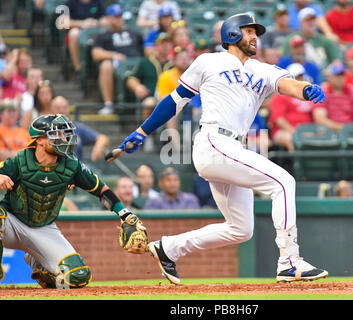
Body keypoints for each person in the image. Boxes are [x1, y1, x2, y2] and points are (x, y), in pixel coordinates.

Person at [116, 13, 328, 284]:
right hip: (214, 141)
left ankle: (168, 248)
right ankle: (289, 261)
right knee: (283, 182)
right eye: (248, 31)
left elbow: (288, 84)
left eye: (256, 33)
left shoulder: (262, 68)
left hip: (231, 148)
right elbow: (175, 100)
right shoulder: (209, 61)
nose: (254, 37)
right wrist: (142, 130)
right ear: (231, 34)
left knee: (241, 229)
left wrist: (307, 89)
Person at [0, 114, 146, 287]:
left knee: (77, 277)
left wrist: (124, 214)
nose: (64, 139)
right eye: (57, 135)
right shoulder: (19, 161)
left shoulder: (72, 165)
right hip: (11, 222)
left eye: (65, 134)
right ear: (39, 140)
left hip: (44, 228)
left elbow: (102, 190)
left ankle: (38, 262)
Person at [91, 4, 144, 115]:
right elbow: (95, 53)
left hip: (136, 63)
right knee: (106, 65)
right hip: (118, 64)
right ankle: (109, 104)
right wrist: (114, 55)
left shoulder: (133, 32)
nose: (119, 18)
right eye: (116, 16)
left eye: (120, 15)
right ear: (109, 18)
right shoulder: (103, 35)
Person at [268, 63, 315, 151]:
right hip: (284, 131)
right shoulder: (280, 95)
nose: (300, 79)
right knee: (291, 139)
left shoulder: (308, 94)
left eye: (301, 76)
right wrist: (296, 132)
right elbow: (279, 120)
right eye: (297, 77)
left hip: (307, 130)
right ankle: (298, 164)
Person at [50, 96, 109, 162]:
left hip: (76, 169)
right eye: (58, 108)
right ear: (51, 110)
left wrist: (98, 147)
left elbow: (102, 138)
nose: (62, 110)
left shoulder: (76, 127)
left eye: (65, 107)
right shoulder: (47, 130)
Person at [313, 62, 353, 132]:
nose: (340, 78)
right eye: (337, 75)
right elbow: (320, 119)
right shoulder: (322, 92)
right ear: (329, 77)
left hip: (351, 133)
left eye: (342, 75)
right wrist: (342, 128)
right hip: (329, 132)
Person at [63, 0, 108, 80]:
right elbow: (63, 22)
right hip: (78, 32)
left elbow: (106, 19)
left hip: (94, 31)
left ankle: (99, 69)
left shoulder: (98, 2)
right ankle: (78, 70)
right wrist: (82, 23)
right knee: (73, 34)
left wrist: (96, 22)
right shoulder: (70, 3)